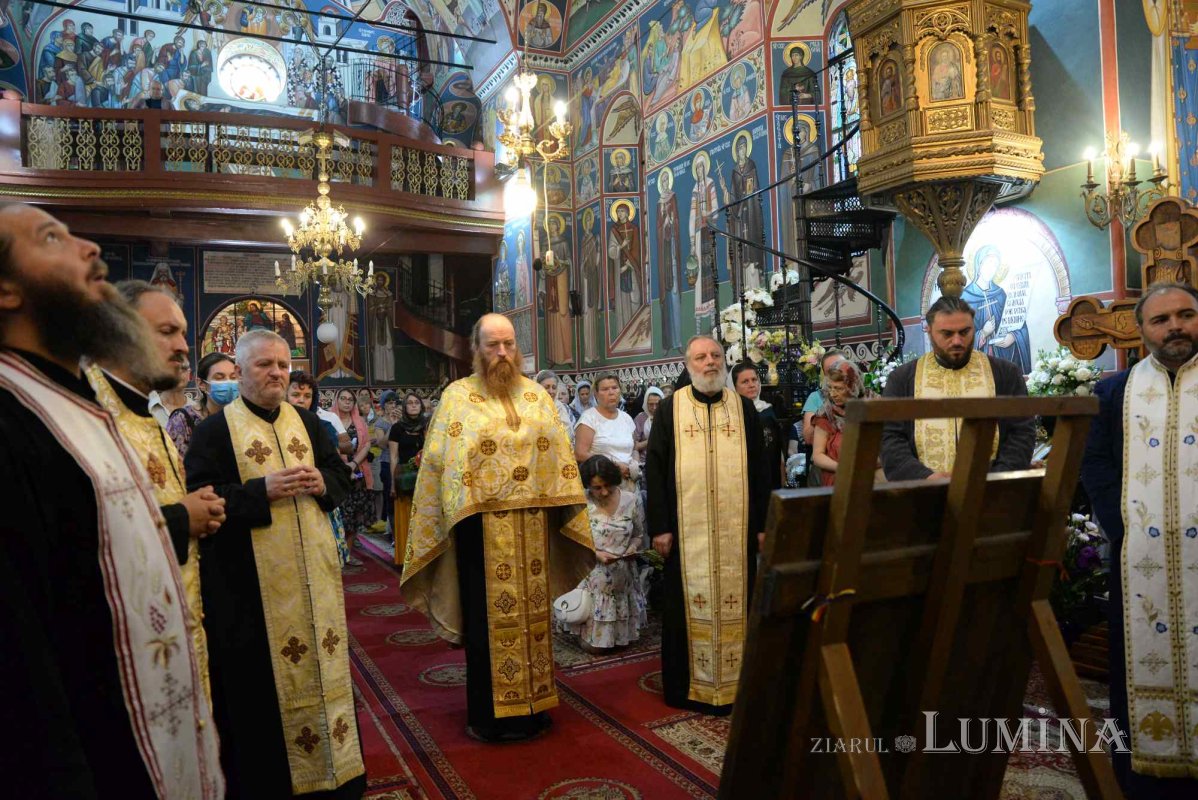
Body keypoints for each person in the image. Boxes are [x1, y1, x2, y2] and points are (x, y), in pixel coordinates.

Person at [0, 203, 222, 797]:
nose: (89, 247)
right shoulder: (12, 419)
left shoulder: (75, 404)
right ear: (5, 290)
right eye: (53, 237)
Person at [184, 330, 365, 798]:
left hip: (316, 579)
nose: (277, 374)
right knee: (260, 689)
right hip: (251, 589)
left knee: (327, 676)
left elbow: (342, 477)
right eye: (265, 365)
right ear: (240, 372)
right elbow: (202, 502)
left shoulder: (308, 423)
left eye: (283, 365)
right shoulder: (213, 432)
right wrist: (259, 491)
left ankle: (337, 778)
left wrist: (322, 484)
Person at [402, 313, 594, 743]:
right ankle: (491, 717)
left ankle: (535, 706)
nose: (503, 352)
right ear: (477, 349)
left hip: (533, 528)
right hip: (479, 535)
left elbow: (559, 457)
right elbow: (439, 466)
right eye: (493, 345)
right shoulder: (457, 397)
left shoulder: (536, 398)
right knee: (487, 624)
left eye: (508, 343)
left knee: (535, 619)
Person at [1080, 282, 1198, 799]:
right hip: (1141, 560)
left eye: (1186, 315)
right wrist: (1122, 526)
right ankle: (1144, 781)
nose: (1175, 326)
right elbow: (1095, 464)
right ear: (1142, 330)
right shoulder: (1115, 393)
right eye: (1161, 319)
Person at [85, 280, 228, 703]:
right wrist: (185, 518)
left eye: (183, 333)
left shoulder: (145, 417)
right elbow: (73, 532)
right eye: (167, 332)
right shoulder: (85, 413)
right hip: (116, 654)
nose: (184, 346)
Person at [645, 335, 771, 714]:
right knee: (684, 605)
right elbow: (655, 468)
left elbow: (762, 470)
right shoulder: (670, 409)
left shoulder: (744, 408)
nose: (710, 363)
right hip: (686, 532)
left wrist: (765, 524)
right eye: (701, 357)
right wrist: (660, 527)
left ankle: (738, 687)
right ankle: (689, 688)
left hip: (738, 530)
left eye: (716, 355)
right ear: (689, 365)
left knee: (742, 604)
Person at [881, 296, 1035, 480]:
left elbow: (1022, 433)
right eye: (947, 333)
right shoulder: (902, 379)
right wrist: (924, 478)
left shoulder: (1005, 373)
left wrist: (995, 479)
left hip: (993, 494)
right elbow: (889, 439)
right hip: (924, 495)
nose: (957, 341)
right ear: (929, 332)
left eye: (964, 332)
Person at [559, 455, 648, 653]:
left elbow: (638, 534)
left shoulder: (631, 500)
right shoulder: (581, 502)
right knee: (595, 648)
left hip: (623, 573)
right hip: (592, 571)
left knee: (624, 644)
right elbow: (570, 541)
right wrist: (596, 553)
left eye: (608, 486)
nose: (604, 492)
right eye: (597, 488)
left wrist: (633, 548)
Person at [288, 371, 352, 565]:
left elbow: (335, 467)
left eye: (307, 396)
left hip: (317, 500)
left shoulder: (322, 426)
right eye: (295, 395)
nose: (301, 400)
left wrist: (322, 480)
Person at [168, 350, 236, 457]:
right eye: (219, 378)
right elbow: (176, 466)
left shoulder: (243, 418)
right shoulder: (183, 419)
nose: (228, 383)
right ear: (201, 384)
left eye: (233, 378)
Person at [810, 359, 868, 487]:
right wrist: (844, 468)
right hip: (838, 474)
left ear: (853, 386)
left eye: (838, 388)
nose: (832, 394)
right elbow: (817, 455)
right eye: (830, 387)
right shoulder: (826, 413)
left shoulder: (870, 405)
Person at [575, 374, 638, 487]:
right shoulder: (589, 418)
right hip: (602, 483)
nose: (611, 392)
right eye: (605, 389)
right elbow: (580, 454)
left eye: (614, 388)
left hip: (629, 481)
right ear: (596, 394)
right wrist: (615, 466)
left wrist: (634, 466)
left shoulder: (626, 418)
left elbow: (634, 448)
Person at [334, 387, 373, 561]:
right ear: (337, 400)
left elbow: (366, 445)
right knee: (340, 516)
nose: (347, 402)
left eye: (350, 399)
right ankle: (336, 556)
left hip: (357, 474)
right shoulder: (327, 419)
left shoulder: (360, 422)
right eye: (343, 398)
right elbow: (327, 445)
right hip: (336, 475)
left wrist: (353, 464)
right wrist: (344, 467)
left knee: (354, 518)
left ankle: (347, 555)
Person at [731, 361, 783, 488]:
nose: (752, 385)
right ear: (734, 386)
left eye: (754, 380)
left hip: (770, 472)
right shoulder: (731, 413)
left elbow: (777, 447)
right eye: (745, 382)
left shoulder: (767, 410)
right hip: (744, 476)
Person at [389, 392, 427, 562]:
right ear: (404, 407)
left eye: (416, 403)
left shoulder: (427, 426)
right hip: (403, 475)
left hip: (424, 476)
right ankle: (405, 557)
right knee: (406, 516)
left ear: (421, 406)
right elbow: (393, 457)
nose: (413, 405)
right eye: (409, 403)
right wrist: (392, 484)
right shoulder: (397, 428)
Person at [536, 369, 575, 445]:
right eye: (547, 387)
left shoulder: (563, 408)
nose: (551, 391)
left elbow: (570, 435)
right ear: (538, 387)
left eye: (554, 387)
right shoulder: (531, 408)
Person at [633, 386, 664, 467]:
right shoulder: (640, 418)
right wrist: (653, 439)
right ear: (645, 403)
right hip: (645, 462)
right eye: (650, 404)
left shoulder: (667, 416)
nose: (654, 408)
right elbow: (634, 446)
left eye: (657, 404)